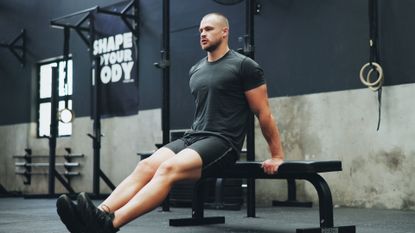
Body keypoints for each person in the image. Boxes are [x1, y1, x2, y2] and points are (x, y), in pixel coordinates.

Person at [56, 12, 284, 233]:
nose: (203, 34)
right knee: (145, 166)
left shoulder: (244, 66)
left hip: (223, 142)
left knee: (167, 169)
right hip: (194, 137)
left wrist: (277, 155)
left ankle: (109, 224)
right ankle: (98, 215)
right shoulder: (196, 69)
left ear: (225, 32)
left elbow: (263, 113)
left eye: (209, 29)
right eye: (200, 30)